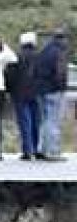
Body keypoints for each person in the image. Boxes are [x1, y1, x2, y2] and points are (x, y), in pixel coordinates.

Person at [32, 29, 70, 160]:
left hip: (40, 91)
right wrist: (62, 88)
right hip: (54, 91)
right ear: (62, 40)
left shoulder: (43, 52)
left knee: (44, 120)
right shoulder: (59, 52)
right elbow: (60, 73)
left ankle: (41, 149)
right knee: (53, 121)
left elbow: (34, 70)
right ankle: (53, 151)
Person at [12, 32, 43, 160]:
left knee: (25, 122)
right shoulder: (40, 57)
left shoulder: (16, 57)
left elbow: (10, 75)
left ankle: (27, 150)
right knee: (36, 121)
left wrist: (10, 90)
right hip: (36, 92)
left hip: (20, 93)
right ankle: (36, 148)